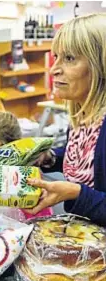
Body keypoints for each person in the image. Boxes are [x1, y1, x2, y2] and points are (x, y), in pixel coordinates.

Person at [26, 13, 106, 226]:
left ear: (101, 65)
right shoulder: (83, 117)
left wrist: (76, 193)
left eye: (69, 58)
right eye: (56, 57)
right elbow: (84, 159)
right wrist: (50, 157)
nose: (54, 69)